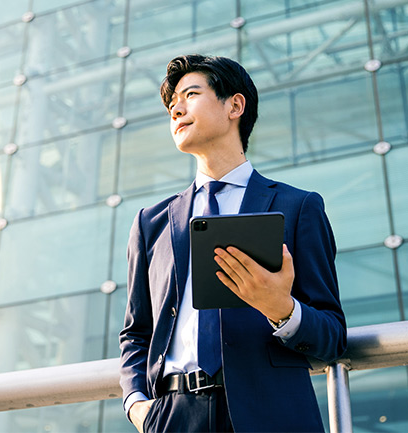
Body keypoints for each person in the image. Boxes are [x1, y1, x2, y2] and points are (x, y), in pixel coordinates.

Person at [118, 54, 346, 433]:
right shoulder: (150, 223)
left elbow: (332, 336)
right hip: (171, 417)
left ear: (235, 106)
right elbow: (136, 332)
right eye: (171, 102)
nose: (176, 107)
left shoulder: (298, 207)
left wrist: (282, 310)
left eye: (190, 94)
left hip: (272, 413)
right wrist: (138, 407)